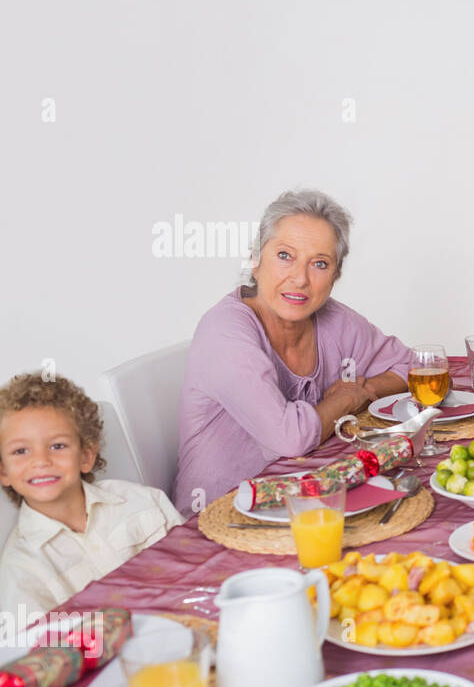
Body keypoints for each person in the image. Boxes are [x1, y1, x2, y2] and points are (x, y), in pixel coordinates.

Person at [173, 190, 411, 514]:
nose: (300, 279)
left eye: (320, 264)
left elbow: (413, 366)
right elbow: (290, 438)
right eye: (285, 255)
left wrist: (366, 388)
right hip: (216, 522)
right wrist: (347, 400)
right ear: (255, 261)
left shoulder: (332, 320)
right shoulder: (224, 331)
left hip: (301, 508)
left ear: (336, 276)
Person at [0, 374, 182, 620]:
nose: (40, 461)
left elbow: (196, 563)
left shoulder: (144, 502)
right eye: (21, 451)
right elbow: (44, 648)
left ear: (86, 455)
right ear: (3, 471)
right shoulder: (21, 569)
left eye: (57, 446)